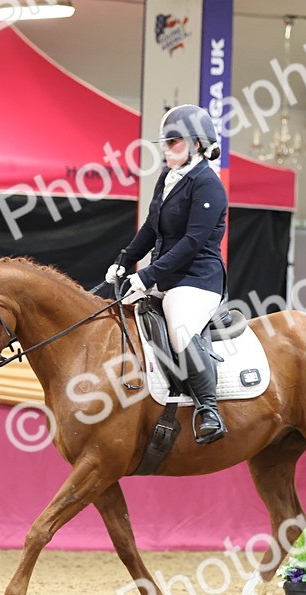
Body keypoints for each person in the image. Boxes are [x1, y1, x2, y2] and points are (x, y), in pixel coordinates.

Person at [106, 104, 228, 445]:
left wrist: (146, 276)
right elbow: (151, 227)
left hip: (197, 280)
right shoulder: (167, 178)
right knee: (122, 312)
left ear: (198, 145)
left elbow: (191, 242)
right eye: (165, 142)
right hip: (165, 274)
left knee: (179, 330)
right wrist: (124, 260)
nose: (166, 148)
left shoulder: (208, 186)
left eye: (174, 141)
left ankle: (208, 409)